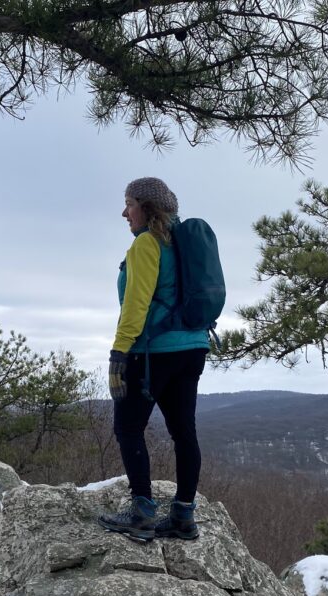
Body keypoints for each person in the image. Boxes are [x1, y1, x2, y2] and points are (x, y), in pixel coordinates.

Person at [98, 177, 211, 543]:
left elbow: (136, 304)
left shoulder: (148, 243)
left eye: (129, 203)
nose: (124, 212)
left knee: (128, 428)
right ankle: (183, 516)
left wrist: (119, 351)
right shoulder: (183, 243)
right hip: (194, 348)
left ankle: (142, 513)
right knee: (184, 433)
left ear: (146, 208)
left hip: (154, 353)